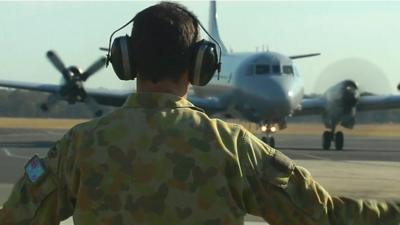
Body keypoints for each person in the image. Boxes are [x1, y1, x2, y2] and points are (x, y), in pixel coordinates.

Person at [1, 2, 399, 225]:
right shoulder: (235, 148)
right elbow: (323, 216)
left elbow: (16, 218)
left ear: (125, 62)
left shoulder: (77, 147)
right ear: (199, 66)